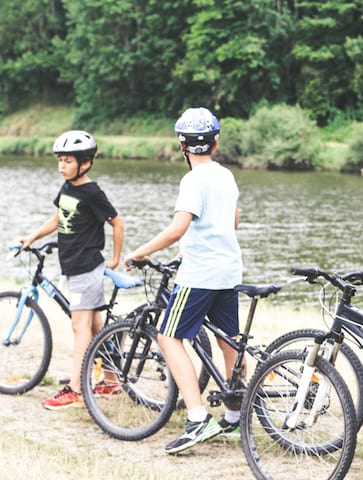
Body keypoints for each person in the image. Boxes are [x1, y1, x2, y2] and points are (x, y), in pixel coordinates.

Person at [124, 107, 243, 454]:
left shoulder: (192, 180)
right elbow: (231, 221)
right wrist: (189, 248)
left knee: (168, 337)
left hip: (200, 274)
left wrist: (140, 252)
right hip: (228, 270)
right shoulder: (225, 176)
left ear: (181, 145)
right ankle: (236, 416)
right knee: (228, 341)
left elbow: (178, 228)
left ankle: (197, 417)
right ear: (215, 144)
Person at [19, 130, 124, 409]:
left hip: (86, 266)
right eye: (60, 161)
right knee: (94, 325)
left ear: (85, 163)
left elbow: (117, 223)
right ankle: (112, 379)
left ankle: (76, 390)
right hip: (73, 265)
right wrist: (32, 237)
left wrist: (114, 259)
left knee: (80, 328)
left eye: (67, 161)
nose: (61, 167)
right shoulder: (68, 188)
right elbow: (58, 218)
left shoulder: (92, 192)